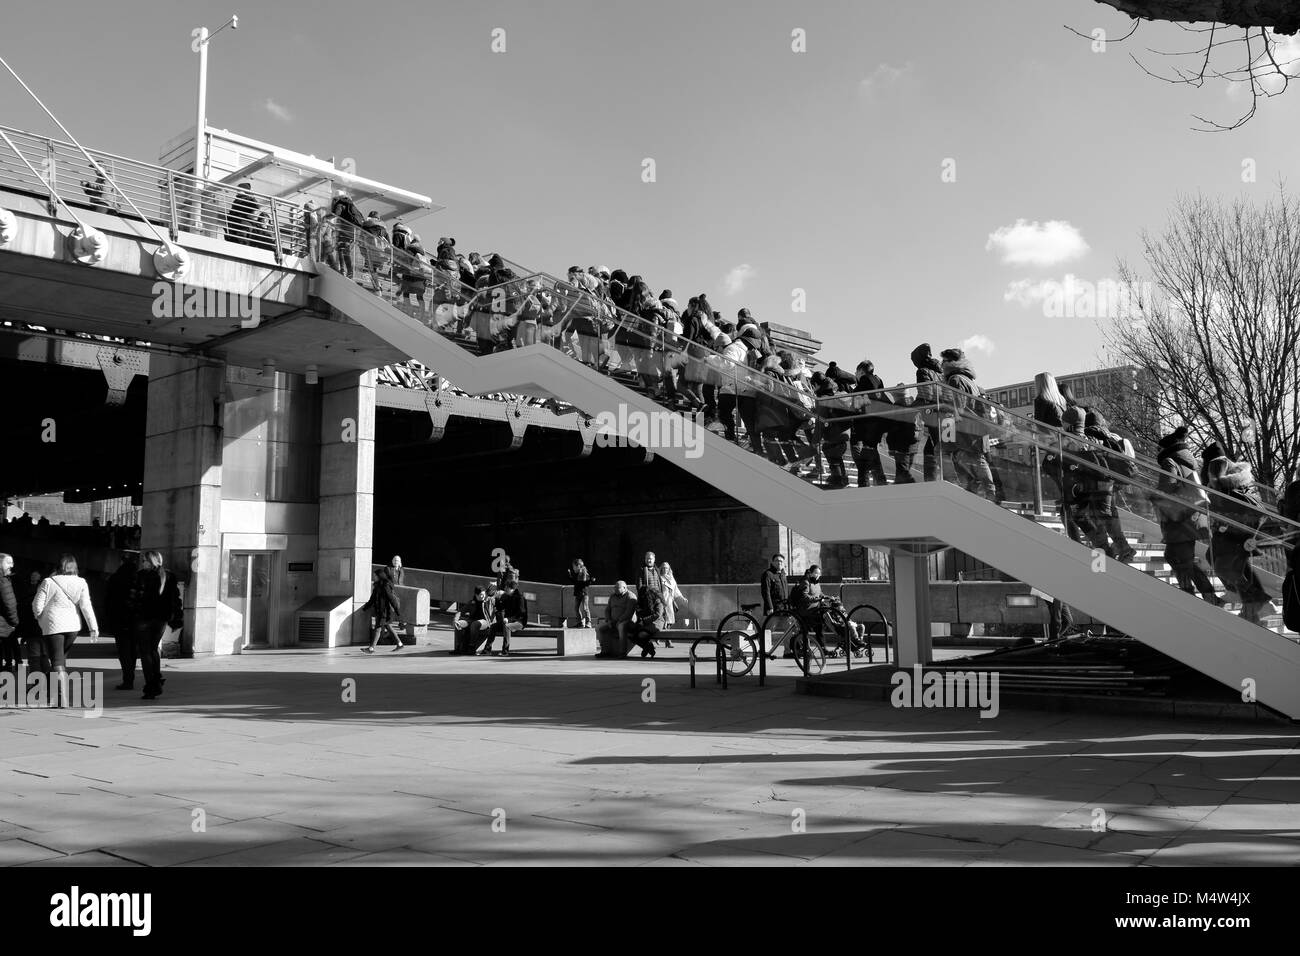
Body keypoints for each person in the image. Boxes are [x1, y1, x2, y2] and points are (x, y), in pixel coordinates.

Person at [1201, 442, 1272, 625]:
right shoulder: (1241, 481)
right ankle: (1253, 606)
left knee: (1225, 565)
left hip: (1236, 534)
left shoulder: (1227, 488)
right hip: (1241, 533)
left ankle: (1254, 603)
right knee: (1229, 564)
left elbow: (1229, 510)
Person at [1155, 426, 1221, 605]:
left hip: (1177, 520)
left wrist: (1154, 494)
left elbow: (1166, 488)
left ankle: (1193, 597)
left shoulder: (1169, 462)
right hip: (1190, 518)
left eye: (1159, 448)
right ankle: (1207, 596)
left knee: (1178, 559)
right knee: (1182, 559)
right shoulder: (1190, 463)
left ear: (1166, 448)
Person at [32, 554, 99, 706]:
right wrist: (93, 627)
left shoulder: (48, 582)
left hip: (53, 625)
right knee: (61, 660)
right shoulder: (81, 582)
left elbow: (37, 605)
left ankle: (62, 698)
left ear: (59, 566)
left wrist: (41, 619)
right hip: (73, 626)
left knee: (56, 661)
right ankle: (54, 695)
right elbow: (86, 606)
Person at [939, 348, 996, 500]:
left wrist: (948, 430)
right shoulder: (968, 379)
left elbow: (957, 407)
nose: (941, 364)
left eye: (944, 361)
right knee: (973, 458)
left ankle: (988, 492)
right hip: (974, 426)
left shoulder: (955, 379)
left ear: (951, 362)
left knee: (972, 459)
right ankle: (978, 492)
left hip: (965, 428)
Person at [1083, 410, 1137, 563]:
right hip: (1114, 482)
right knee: (1109, 514)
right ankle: (1118, 549)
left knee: (1099, 517)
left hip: (1098, 482)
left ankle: (1110, 553)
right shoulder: (1115, 437)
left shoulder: (1091, 436)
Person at [129, 551, 182, 701]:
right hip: (161, 619)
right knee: (152, 650)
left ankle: (151, 686)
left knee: (146, 651)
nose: (142, 563)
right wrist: (176, 618)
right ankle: (156, 680)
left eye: (144, 560)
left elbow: (133, 598)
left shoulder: (141, 576)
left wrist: (132, 615)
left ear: (151, 561)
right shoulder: (169, 576)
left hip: (144, 619)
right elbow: (175, 599)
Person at [910, 344, 946, 481]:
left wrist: (910, 408)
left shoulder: (922, 371)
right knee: (932, 449)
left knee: (936, 450)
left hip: (934, 415)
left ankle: (933, 483)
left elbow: (926, 395)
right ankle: (935, 481)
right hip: (945, 415)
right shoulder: (941, 372)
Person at [851, 361, 890, 486]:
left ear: (861, 371)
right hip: (876, 424)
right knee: (872, 453)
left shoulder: (865, 380)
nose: (855, 374)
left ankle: (864, 486)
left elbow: (857, 398)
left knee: (864, 461)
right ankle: (881, 482)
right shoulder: (878, 381)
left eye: (856, 372)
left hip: (868, 425)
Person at [106, 551, 140, 689]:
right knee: (133, 649)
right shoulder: (138, 578)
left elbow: (108, 600)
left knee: (123, 650)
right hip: (136, 619)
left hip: (119, 619)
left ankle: (128, 678)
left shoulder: (115, 578)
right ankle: (130, 675)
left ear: (121, 562)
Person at [361, 566, 405, 653]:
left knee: (378, 628)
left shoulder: (385, 586)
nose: (374, 577)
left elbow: (391, 599)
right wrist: (365, 608)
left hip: (385, 611)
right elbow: (372, 599)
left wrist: (397, 611)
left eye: (375, 576)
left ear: (379, 576)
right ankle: (399, 643)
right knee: (387, 626)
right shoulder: (377, 586)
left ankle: (371, 648)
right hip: (380, 611)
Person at [482, 574, 527, 656]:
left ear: (511, 589)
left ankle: (505, 651)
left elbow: (521, 613)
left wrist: (509, 620)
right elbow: (500, 608)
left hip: (519, 622)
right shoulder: (507, 596)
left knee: (507, 626)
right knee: (493, 626)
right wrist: (497, 599)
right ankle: (487, 650)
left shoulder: (520, 598)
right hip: (508, 621)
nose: (505, 589)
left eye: (506, 587)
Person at [453, 585, 493, 655]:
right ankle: (459, 647)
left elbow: (494, 598)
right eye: (480, 595)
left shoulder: (488, 601)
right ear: (476, 595)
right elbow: (460, 611)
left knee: (475, 624)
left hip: (485, 621)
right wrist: (455, 620)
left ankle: (472, 647)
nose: (482, 596)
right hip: (472, 620)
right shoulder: (471, 602)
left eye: (483, 594)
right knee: (458, 624)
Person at [657, 561, 684, 647]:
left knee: (669, 622)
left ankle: (661, 637)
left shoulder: (671, 578)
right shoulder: (659, 578)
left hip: (670, 602)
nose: (665, 569)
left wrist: (682, 597)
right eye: (664, 568)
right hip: (663, 601)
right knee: (665, 621)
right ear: (661, 569)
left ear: (669, 569)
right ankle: (668, 641)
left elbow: (676, 589)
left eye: (667, 568)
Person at [0, 553, 18, 672]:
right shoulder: (3, 580)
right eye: (8, 562)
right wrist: (14, 622)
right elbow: (10, 604)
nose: (12, 565)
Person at [568, 558, 594, 628]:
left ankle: (589, 622)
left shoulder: (584, 573)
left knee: (585, 608)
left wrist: (591, 580)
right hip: (578, 594)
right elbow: (575, 582)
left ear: (578, 566)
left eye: (574, 567)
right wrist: (569, 575)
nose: (573, 568)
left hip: (584, 594)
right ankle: (580, 623)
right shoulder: (577, 574)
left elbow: (586, 583)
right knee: (576, 608)